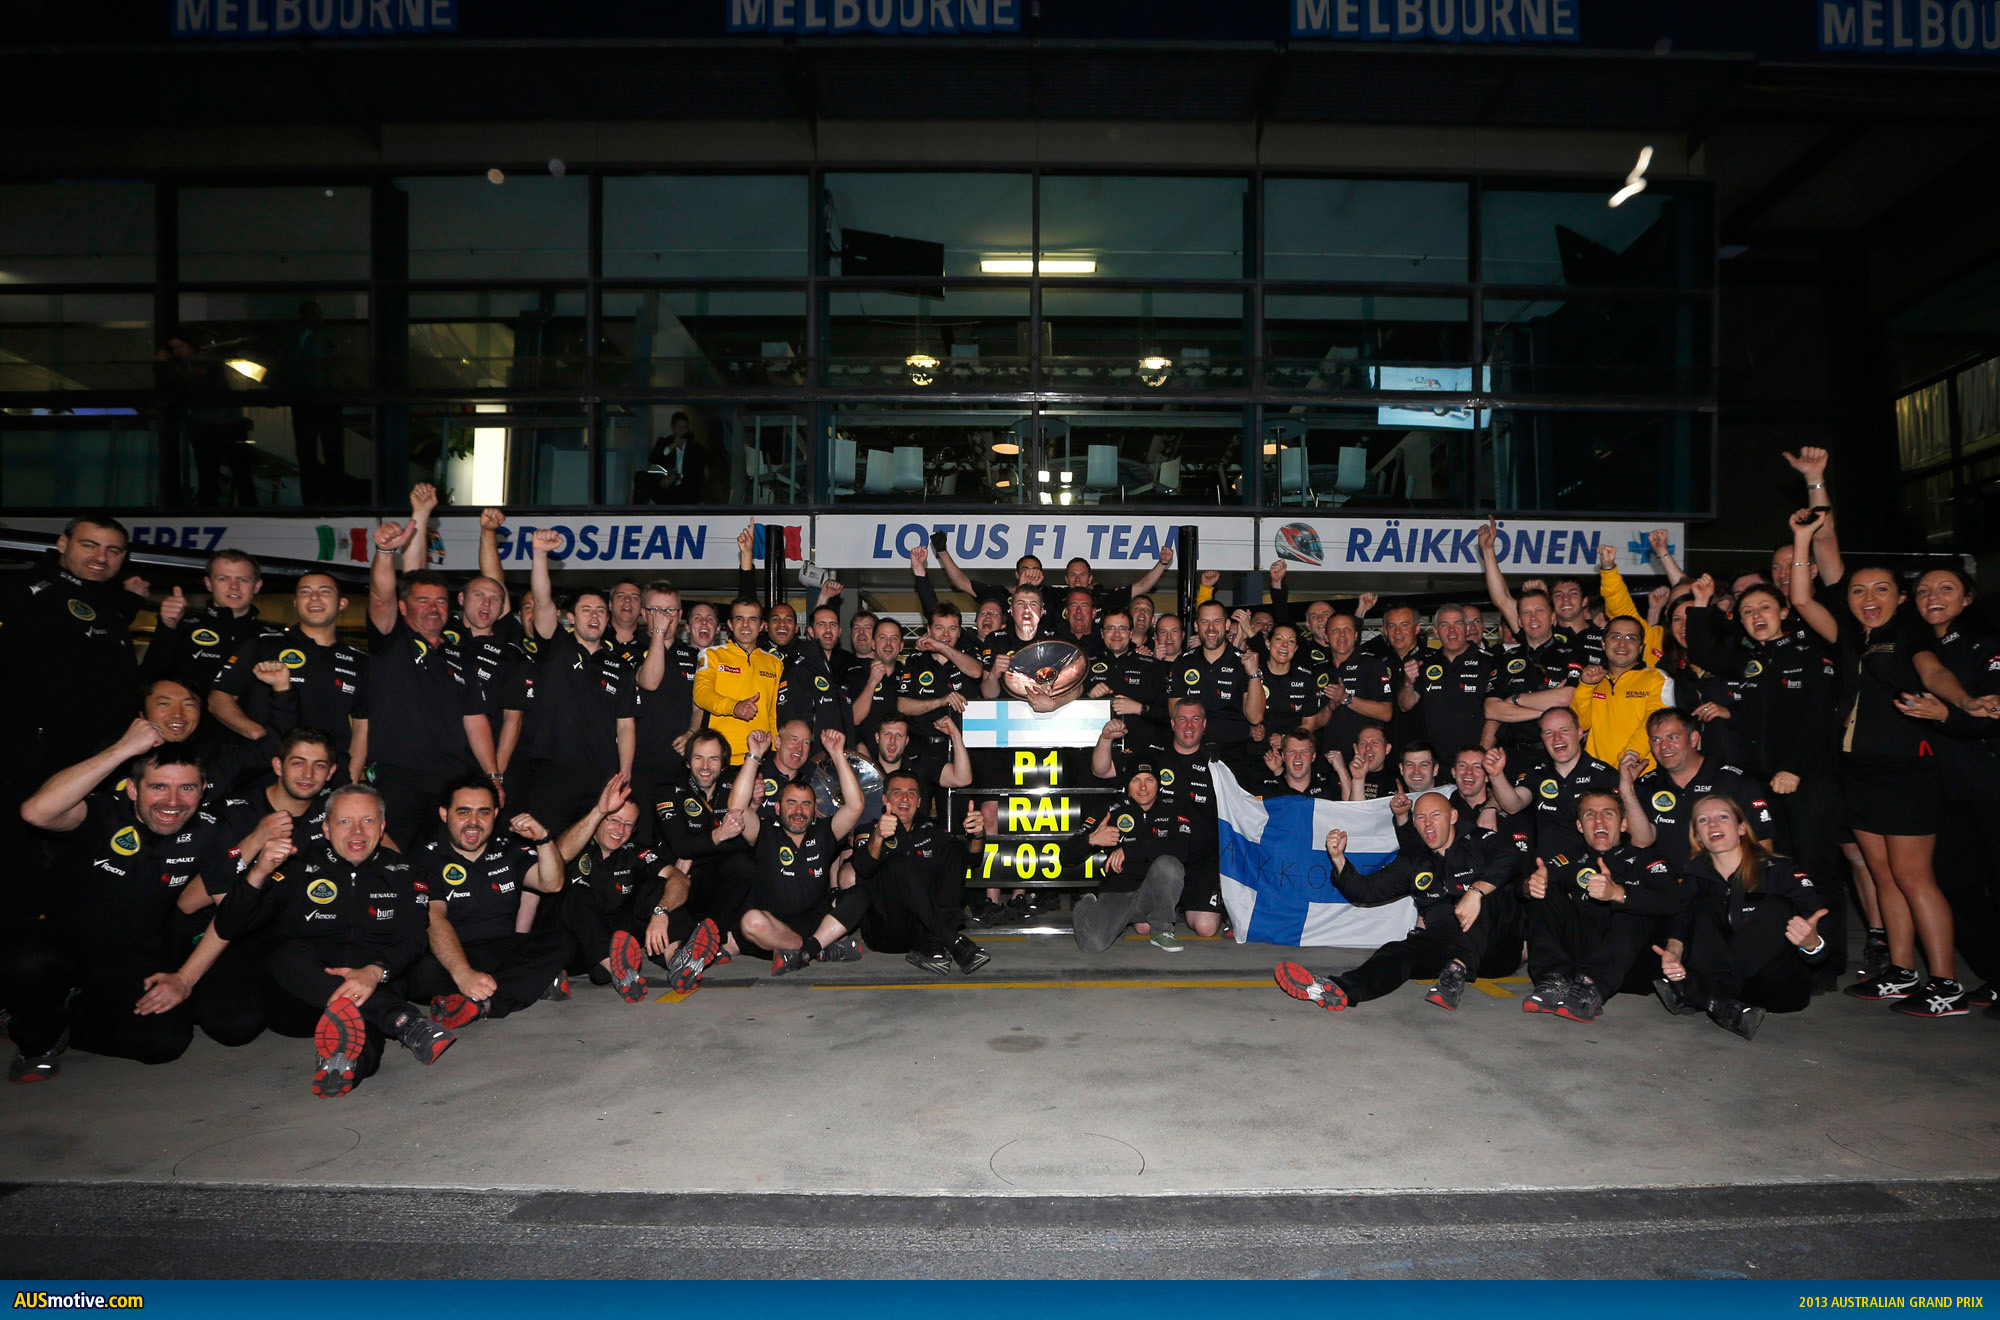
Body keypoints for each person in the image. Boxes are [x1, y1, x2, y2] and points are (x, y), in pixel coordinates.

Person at [1785, 507, 1994, 1015]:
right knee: (1883, 876)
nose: (1868, 598)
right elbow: (1801, 598)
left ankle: (1945, 983)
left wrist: (1964, 700)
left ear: (1900, 597)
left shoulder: (1910, 634)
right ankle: (1901, 971)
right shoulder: (1850, 636)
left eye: (1881, 589)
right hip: (1859, 770)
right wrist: (1801, 538)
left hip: (1906, 770)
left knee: (1913, 876)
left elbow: (1934, 674)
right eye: (1858, 591)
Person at [4, 728, 241, 1081]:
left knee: (165, 1043)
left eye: (187, 788)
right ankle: (35, 1039)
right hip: (60, 938)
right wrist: (123, 748)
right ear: (133, 789)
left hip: (130, 950)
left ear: (203, 790)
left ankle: (68, 1016)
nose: (173, 800)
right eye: (158, 786)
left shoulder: (211, 830)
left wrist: (185, 978)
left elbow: (233, 912)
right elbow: (36, 812)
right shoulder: (103, 812)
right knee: (29, 963)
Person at [213, 783, 455, 1098]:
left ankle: (341, 1068)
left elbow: (413, 940)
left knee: (362, 1023)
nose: (357, 831)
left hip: (372, 984)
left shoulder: (406, 873)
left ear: (382, 827)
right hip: (300, 1001)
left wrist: (374, 972)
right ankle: (402, 1019)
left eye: (367, 821)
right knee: (283, 951)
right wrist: (258, 872)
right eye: (344, 821)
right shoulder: (296, 868)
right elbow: (228, 924)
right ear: (326, 829)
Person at [1273, 789, 1523, 1014]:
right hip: (1445, 944)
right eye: (1421, 818)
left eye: (1435, 815)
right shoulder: (1414, 862)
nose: (1428, 823)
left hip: (1496, 950)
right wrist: (1338, 860)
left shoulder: (1478, 840)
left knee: (1485, 894)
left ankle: (1457, 969)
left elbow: (1511, 857)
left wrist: (1476, 891)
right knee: (1397, 951)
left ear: (1453, 817)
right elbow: (1366, 891)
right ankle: (1337, 989)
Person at [1898, 566, 2000, 1010]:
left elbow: (1991, 714)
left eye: (1945, 589)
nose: (1933, 597)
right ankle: (1995, 973)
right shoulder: (1919, 648)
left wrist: (1949, 715)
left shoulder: (1986, 647)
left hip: (1990, 786)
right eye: (1923, 591)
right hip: (1947, 790)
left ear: (1967, 598)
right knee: (1954, 883)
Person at [362, 521, 499, 847]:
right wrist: (384, 552)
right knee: (392, 858)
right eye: (423, 600)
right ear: (403, 606)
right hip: (398, 776)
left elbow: (475, 718)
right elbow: (380, 597)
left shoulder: (459, 654)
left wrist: (493, 775)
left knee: (442, 860)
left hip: (449, 779)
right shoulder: (391, 641)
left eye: (440, 601)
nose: (433, 608)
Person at [1653, 795, 1833, 1039]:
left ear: (1741, 828)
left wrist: (1812, 943)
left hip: (1775, 987)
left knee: (1776, 906)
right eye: (1703, 820)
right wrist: (1673, 952)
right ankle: (1718, 1000)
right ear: (1698, 836)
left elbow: (1821, 933)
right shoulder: (1693, 876)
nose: (1713, 824)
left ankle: (1698, 992)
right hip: (1736, 995)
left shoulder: (1779, 871)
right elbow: (1681, 922)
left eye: (1722, 817)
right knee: (1701, 905)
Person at [407, 776, 572, 1027]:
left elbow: (552, 884)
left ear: (495, 814)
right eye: (463, 812)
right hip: (449, 956)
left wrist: (543, 839)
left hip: (501, 951)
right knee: (417, 973)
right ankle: (526, 986)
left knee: (564, 942)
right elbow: (434, 918)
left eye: (483, 812)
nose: (473, 822)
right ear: (444, 814)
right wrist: (463, 974)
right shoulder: (424, 857)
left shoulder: (508, 848)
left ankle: (482, 1004)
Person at [1520, 790, 1687, 1022]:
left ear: (1624, 824)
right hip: (1580, 961)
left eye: (1608, 813)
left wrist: (1619, 893)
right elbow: (1526, 889)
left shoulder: (1647, 861)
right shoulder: (1568, 859)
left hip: (1631, 967)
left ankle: (1593, 987)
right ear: (1580, 826)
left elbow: (1674, 901)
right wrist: (1531, 886)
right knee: (1544, 889)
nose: (1599, 821)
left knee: (1632, 903)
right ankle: (1553, 979)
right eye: (1590, 814)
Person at [729, 728, 869, 976]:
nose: (798, 811)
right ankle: (816, 950)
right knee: (751, 922)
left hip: (819, 926)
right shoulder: (764, 832)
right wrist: (754, 755)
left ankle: (807, 950)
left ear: (815, 811)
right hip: (774, 929)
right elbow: (736, 810)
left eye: (806, 804)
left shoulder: (824, 832)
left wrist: (837, 754)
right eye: (791, 803)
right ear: (777, 808)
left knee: (859, 894)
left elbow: (856, 806)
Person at [522, 531, 638, 830]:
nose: (594, 617)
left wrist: (624, 773)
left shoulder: (620, 666)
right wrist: (539, 555)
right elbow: (542, 601)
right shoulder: (557, 646)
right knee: (546, 847)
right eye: (586, 610)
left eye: (600, 611)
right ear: (570, 617)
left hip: (600, 776)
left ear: (608, 618)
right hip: (552, 772)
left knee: (589, 852)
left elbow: (625, 725)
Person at [208, 570, 368, 767]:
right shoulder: (263, 645)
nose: (314, 597)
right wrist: (258, 734)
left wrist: (351, 778)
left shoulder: (359, 661)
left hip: (329, 774)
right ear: (295, 603)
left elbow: (362, 727)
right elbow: (219, 698)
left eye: (325, 591)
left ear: (342, 603)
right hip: (266, 770)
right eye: (305, 592)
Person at [651, 730, 755, 993]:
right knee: (666, 892)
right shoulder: (668, 789)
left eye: (713, 759)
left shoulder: (734, 786)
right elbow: (680, 845)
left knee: (744, 865)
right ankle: (682, 955)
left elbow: (748, 844)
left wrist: (753, 806)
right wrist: (720, 835)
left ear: (724, 764)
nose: (705, 766)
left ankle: (709, 938)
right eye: (698, 758)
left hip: (711, 880)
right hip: (677, 881)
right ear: (687, 762)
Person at [855, 773, 991, 974]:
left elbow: (972, 860)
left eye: (911, 793)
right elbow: (863, 868)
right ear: (885, 799)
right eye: (897, 792)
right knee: (897, 864)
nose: (904, 798)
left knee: (954, 849)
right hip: (886, 930)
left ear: (918, 802)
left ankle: (935, 942)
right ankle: (952, 940)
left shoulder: (931, 832)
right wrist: (878, 836)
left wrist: (978, 834)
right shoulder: (869, 830)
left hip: (924, 930)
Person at [1627, 708, 1779, 870]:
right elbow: (1641, 842)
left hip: (1725, 881)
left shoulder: (1733, 780)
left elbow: (1763, 844)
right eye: (1656, 740)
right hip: (1668, 882)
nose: (1664, 746)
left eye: (1673, 737)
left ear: (1693, 739)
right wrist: (1626, 786)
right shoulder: (1646, 785)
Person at [1073, 763, 1190, 954]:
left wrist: (1130, 851)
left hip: (1151, 895)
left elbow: (1183, 850)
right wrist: (1091, 840)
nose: (1143, 787)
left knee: (1170, 864)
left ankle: (1162, 930)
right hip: (1118, 892)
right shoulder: (1110, 810)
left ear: (1158, 784)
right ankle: (1086, 904)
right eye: (1136, 780)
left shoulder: (1173, 807)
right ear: (1127, 785)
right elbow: (1066, 855)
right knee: (1092, 944)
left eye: (1149, 780)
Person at [1490, 706, 1621, 870]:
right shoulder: (1538, 772)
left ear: (1580, 733)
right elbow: (1513, 805)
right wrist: (1496, 775)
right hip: (1547, 871)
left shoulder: (1605, 775)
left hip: (1592, 871)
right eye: (1549, 733)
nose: (1557, 738)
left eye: (1564, 730)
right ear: (1542, 738)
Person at [141, 549, 284, 697]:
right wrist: (167, 627)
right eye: (223, 579)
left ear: (257, 585)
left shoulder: (275, 638)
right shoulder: (183, 627)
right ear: (208, 584)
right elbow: (148, 682)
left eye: (243, 580)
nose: (234, 586)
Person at [1570, 616, 1672, 772]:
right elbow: (1580, 725)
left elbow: (1655, 725)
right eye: (1615, 637)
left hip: (1641, 773)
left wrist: (1625, 761)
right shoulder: (1592, 679)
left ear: (1641, 647)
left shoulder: (1657, 679)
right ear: (1603, 644)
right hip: (1596, 775)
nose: (1622, 644)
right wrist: (1586, 686)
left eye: (1631, 638)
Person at [1396, 603, 1496, 757]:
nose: (1452, 631)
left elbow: (1496, 714)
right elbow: (1405, 705)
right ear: (1436, 632)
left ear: (1467, 629)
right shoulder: (1425, 662)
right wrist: (1408, 682)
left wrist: (1482, 752)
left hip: (1473, 759)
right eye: (1445, 625)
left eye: (1458, 624)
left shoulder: (1489, 662)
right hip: (1435, 759)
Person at [692, 597, 783, 764]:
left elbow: (773, 713)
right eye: (739, 619)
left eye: (752, 619)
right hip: (719, 757)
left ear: (762, 626)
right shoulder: (711, 655)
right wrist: (735, 707)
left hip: (760, 757)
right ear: (730, 624)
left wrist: (776, 751)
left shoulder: (775, 663)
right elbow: (701, 694)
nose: (745, 625)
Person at [1169, 600, 1265, 750]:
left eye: (1217, 621)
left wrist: (1253, 674)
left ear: (1227, 625)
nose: (1211, 628)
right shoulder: (1183, 662)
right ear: (1196, 626)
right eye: (1205, 622)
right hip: (1194, 749)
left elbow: (1256, 717)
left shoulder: (1243, 662)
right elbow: (1175, 716)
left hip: (1234, 750)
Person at [282, 300, 346, 505]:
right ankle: (314, 499)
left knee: (329, 453)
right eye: (311, 314)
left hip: (324, 400)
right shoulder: (295, 338)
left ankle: (332, 498)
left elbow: (336, 364)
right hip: (306, 401)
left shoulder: (326, 337)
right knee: (308, 453)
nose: (316, 318)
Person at [1084, 606, 1168, 758]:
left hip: (1142, 754)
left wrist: (1139, 708)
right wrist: (1089, 697)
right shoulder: (1085, 666)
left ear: (1131, 633)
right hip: (1095, 751)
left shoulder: (1152, 666)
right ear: (1102, 633)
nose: (1116, 634)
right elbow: (1071, 714)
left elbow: (1168, 715)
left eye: (1122, 628)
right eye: (1110, 628)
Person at [633, 411, 708, 504]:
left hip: (685, 489)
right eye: (678, 426)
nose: (681, 430)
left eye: (684, 427)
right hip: (665, 486)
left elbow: (697, 473)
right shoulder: (664, 442)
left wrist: (677, 476)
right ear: (672, 427)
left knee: (689, 487)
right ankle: (638, 510)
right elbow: (653, 459)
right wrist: (671, 447)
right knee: (641, 476)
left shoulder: (695, 449)